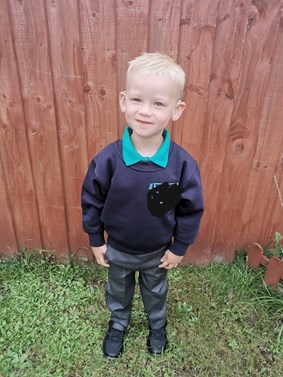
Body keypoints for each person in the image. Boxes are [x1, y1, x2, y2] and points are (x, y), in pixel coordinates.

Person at [81, 52, 204, 359]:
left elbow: (190, 210)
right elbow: (92, 200)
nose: (145, 111)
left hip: (157, 253)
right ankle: (118, 324)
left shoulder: (181, 165)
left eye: (158, 103)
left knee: (155, 293)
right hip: (118, 250)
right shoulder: (108, 160)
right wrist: (96, 240)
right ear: (123, 101)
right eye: (137, 99)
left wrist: (179, 248)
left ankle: (157, 327)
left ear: (177, 110)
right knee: (118, 292)